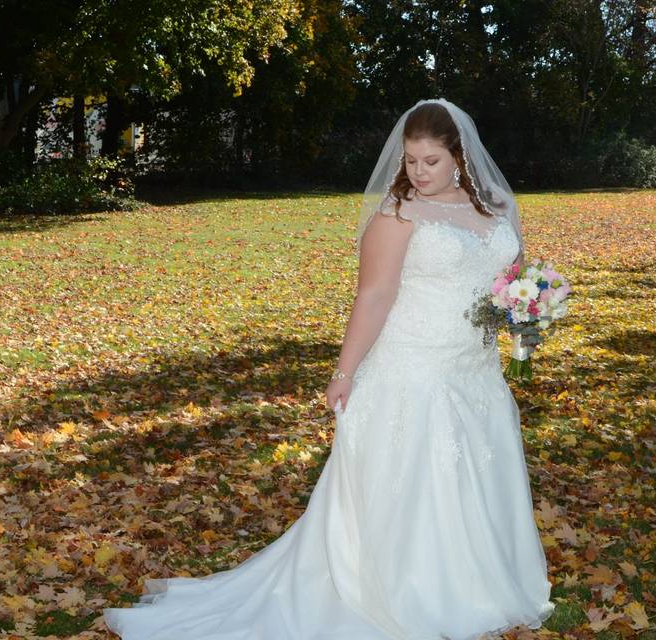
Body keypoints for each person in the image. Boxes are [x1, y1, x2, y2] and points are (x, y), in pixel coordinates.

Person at [102, 98, 554, 640]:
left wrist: (528, 306)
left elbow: (512, 276)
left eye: (430, 161)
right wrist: (344, 374)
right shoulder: (398, 215)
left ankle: (485, 584)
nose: (418, 171)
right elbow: (374, 296)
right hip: (412, 370)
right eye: (411, 160)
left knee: (475, 478)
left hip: (476, 371)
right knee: (416, 486)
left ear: (459, 156)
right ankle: (415, 593)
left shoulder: (498, 207)